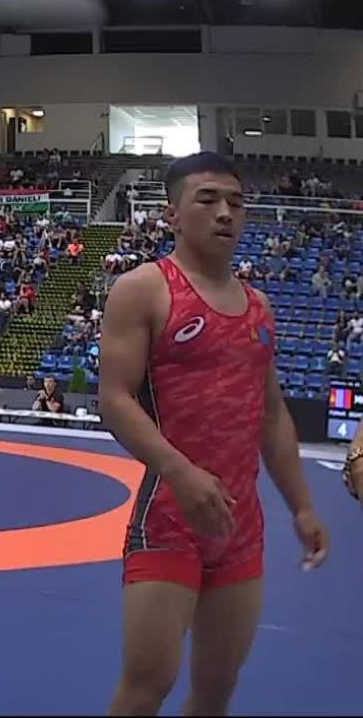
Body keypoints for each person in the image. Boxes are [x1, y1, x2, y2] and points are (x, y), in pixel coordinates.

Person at [99, 152, 329, 716]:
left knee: (217, 687)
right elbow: (115, 399)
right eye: (208, 200)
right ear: (172, 214)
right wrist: (180, 471)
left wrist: (302, 506)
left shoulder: (259, 308)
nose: (225, 212)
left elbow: (271, 414)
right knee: (147, 685)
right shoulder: (144, 290)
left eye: (236, 202)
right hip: (170, 518)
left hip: (240, 526)